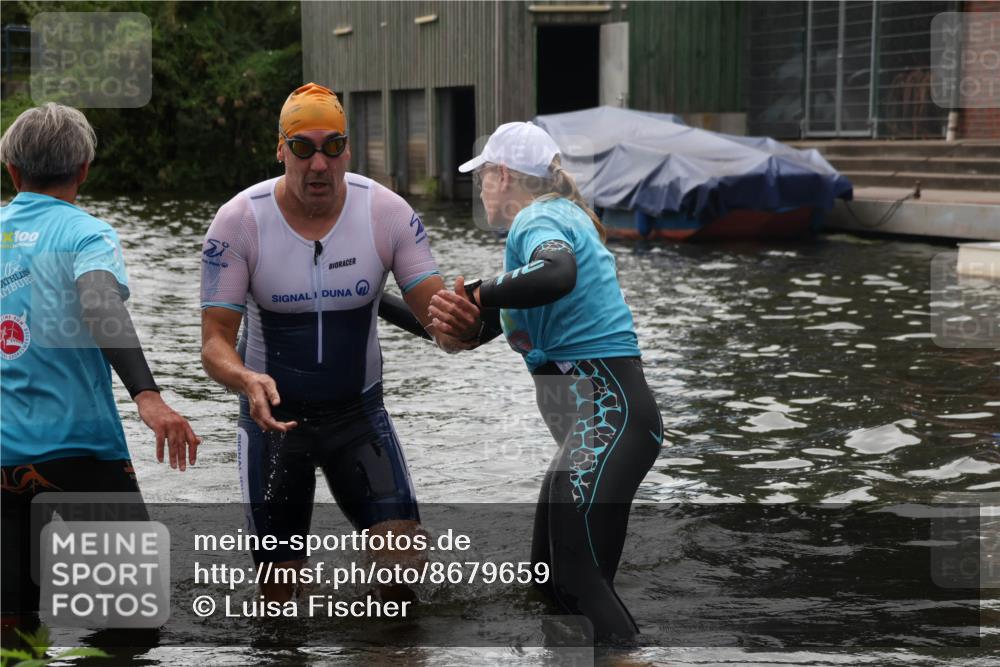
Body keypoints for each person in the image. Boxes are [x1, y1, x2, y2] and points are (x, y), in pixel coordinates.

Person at [199, 83, 478, 602]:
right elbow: (214, 341)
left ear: (348, 149)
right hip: (275, 424)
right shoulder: (239, 221)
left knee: (402, 577)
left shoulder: (387, 213)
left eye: (332, 147)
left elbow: (440, 327)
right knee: (283, 603)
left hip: (358, 418)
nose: (319, 164)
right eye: (303, 148)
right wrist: (245, 378)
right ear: (281, 149)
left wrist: (461, 327)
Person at [428, 121, 663, 644]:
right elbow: (464, 328)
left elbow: (558, 273)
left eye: (483, 176)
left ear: (504, 175)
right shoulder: (549, 228)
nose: (480, 187)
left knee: (576, 586)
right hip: (608, 428)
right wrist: (365, 298)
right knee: (550, 583)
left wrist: (479, 291)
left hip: (609, 420)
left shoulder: (538, 217)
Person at [0, 103, 201, 624]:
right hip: (83, 457)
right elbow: (98, 302)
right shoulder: (87, 234)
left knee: (14, 637)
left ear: (11, 169)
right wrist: (148, 395)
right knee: (127, 628)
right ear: (83, 170)